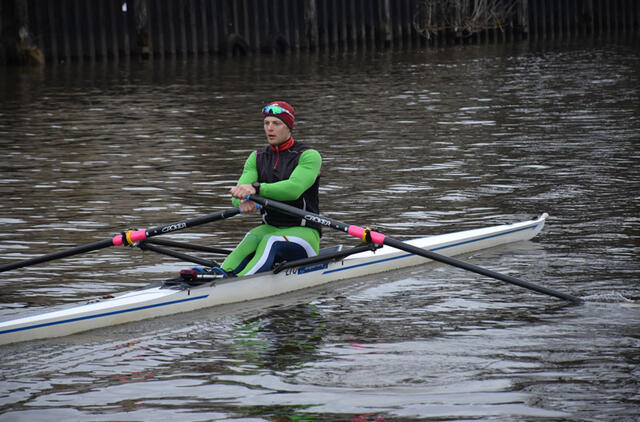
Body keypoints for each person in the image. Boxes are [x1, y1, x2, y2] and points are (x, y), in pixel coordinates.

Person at [218, 101, 322, 277]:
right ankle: (219, 276)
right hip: (270, 227)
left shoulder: (308, 156)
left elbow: (293, 189)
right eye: (266, 123)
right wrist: (242, 201)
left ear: (289, 127)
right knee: (251, 237)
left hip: (304, 233)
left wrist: (256, 190)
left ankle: (240, 282)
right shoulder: (257, 157)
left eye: (276, 123)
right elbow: (240, 190)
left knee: (270, 241)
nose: (270, 128)